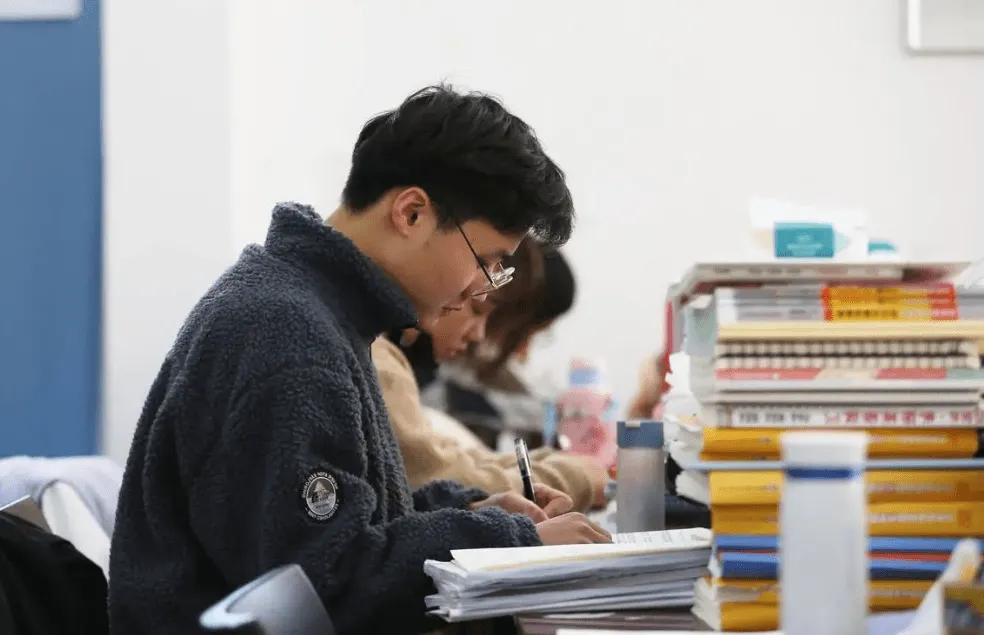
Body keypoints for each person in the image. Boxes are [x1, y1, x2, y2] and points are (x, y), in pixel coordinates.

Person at [109, 86, 611, 635]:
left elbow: (346, 524)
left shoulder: (317, 310)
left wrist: (474, 514)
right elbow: (328, 581)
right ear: (412, 212)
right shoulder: (287, 336)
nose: (480, 288)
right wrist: (510, 542)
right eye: (488, 262)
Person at [373, 242, 609, 513]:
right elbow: (443, 477)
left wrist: (563, 467)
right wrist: (572, 477)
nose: (479, 334)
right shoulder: (384, 366)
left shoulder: (392, 363)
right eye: (476, 308)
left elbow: (454, 459)